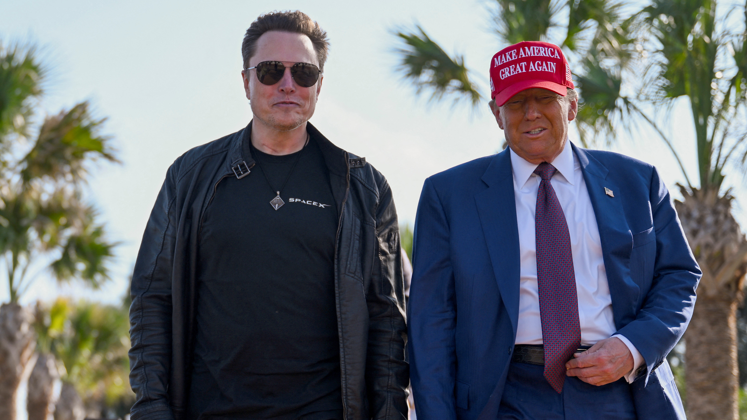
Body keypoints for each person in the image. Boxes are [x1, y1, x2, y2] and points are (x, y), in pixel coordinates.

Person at [128, 11, 408, 420]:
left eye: (304, 74)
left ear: (320, 86)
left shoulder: (364, 188)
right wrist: (151, 408)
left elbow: (387, 319)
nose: (288, 85)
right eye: (271, 71)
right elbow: (153, 299)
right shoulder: (189, 177)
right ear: (246, 81)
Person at [407, 40, 700, 420]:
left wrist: (632, 347)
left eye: (545, 98)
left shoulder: (637, 182)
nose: (531, 114)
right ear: (498, 114)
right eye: (516, 102)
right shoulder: (449, 195)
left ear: (572, 105)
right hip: (502, 398)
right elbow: (431, 323)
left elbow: (679, 276)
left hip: (618, 391)